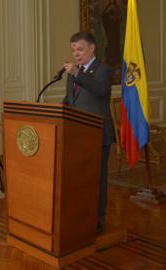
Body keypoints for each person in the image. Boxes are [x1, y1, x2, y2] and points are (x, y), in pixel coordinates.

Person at [62, 32, 114, 234]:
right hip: (77, 135)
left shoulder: (104, 69)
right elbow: (70, 100)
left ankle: (98, 220)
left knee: (97, 179)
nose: (76, 53)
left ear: (92, 48)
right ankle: (81, 215)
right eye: (73, 49)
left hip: (97, 134)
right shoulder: (74, 72)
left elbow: (101, 91)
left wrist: (77, 73)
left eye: (80, 49)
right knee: (80, 178)